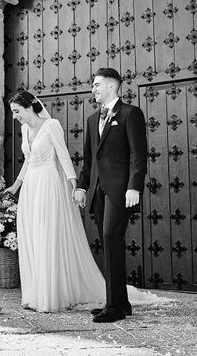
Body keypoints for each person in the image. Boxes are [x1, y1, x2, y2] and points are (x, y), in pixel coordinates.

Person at [5, 87, 155, 315]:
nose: (15, 116)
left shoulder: (51, 125)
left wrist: (74, 182)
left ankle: (50, 297)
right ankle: (35, 293)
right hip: (31, 187)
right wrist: (16, 185)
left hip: (48, 183)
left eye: (17, 111)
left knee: (47, 236)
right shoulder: (25, 129)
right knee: (33, 237)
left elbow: (63, 154)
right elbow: (28, 160)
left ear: (28, 107)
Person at [74, 68, 148, 323]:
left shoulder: (130, 114)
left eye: (96, 85)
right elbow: (89, 160)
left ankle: (115, 307)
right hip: (97, 191)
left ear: (112, 86)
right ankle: (119, 301)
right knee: (109, 244)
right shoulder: (92, 120)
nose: (93, 89)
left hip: (120, 191)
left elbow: (138, 155)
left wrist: (134, 187)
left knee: (110, 237)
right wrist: (83, 187)